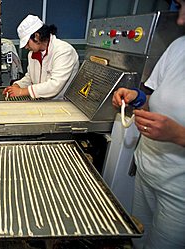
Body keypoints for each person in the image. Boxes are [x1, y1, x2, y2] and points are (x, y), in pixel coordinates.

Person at [112, 1, 185, 248]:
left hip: (179, 192)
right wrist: (138, 98)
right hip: (147, 172)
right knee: (138, 240)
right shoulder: (178, 48)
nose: (181, 20)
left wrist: (179, 135)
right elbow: (155, 99)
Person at [3, 14, 79, 100]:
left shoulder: (63, 51)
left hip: (62, 104)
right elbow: (30, 78)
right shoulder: (32, 54)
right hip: (42, 102)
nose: (26, 47)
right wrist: (17, 85)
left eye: (27, 43)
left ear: (37, 36)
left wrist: (21, 91)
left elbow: (54, 86)